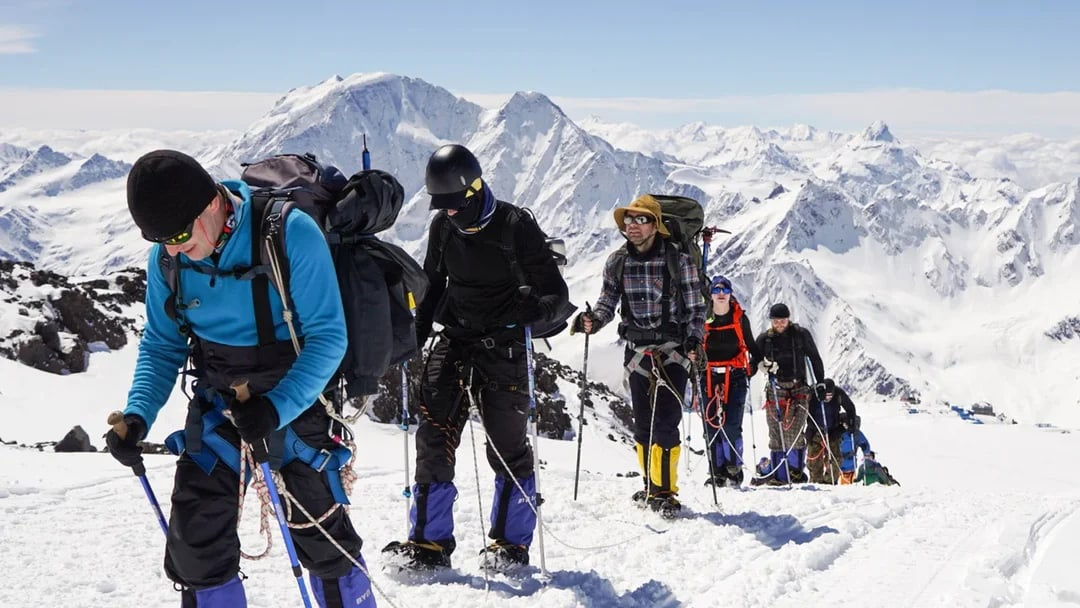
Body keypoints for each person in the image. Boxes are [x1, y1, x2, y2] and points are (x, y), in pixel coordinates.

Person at [106, 150, 374, 607]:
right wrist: (137, 416)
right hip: (221, 406)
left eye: (177, 235)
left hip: (298, 402)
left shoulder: (289, 234)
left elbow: (328, 338)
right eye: (158, 239)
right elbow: (161, 346)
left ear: (211, 204)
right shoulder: (168, 260)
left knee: (323, 544)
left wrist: (275, 408)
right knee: (195, 543)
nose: (171, 249)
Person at [382, 144, 571, 572]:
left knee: (506, 446)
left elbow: (557, 295)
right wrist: (416, 331)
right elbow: (431, 284)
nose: (448, 213)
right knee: (433, 436)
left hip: (503, 346)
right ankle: (429, 544)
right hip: (456, 339)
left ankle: (510, 545)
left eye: (453, 205)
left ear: (474, 189)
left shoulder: (514, 225)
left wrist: (533, 313)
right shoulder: (444, 227)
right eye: (442, 207)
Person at [576, 194, 706, 516]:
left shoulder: (678, 260)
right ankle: (651, 487)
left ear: (655, 225)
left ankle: (665, 491)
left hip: (673, 353)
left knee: (666, 423)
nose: (633, 226)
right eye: (629, 220)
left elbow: (695, 308)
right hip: (637, 355)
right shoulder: (617, 262)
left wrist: (694, 339)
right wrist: (592, 322)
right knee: (643, 424)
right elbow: (607, 302)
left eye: (641, 220)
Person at [700, 275, 764, 488]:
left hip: (734, 376)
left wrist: (752, 368)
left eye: (724, 290)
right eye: (716, 290)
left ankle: (733, 469)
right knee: (711, 425)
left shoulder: (739, 319)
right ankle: (716, 471)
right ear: (710, 294)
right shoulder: (702, 319)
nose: (720, 293)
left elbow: (753, 347)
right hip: (708, 375)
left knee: (730, 424)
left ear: (730, 294)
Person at [753, 303, 825, 485]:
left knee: (792, 434)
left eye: (782, 320)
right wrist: (756, 367)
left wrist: (820, 382)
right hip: (775, 390)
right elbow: (753, 361)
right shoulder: (764, 340)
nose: (779, 324)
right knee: (776, 434)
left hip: (799, 389)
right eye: (775, 321)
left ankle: (794, 473)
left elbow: (815, 358)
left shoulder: (801, 335)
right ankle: (778, 475)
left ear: (789, 319)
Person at [806, 378, 857, 484]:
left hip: (832, 432)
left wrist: (850, 423)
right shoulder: (813, 394)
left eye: (830, 396)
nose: (828, 398)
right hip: (815, 431)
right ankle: (816, 483)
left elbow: (850, 407)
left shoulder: (838, 394)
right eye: (826, 396)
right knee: (814, 462)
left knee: (836, 459)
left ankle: (829, 482)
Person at [838, 420, 871, 484]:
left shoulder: (837, 431)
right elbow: (865, 444)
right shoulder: (856, 433)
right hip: (850, 465)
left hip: (836, 464)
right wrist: (866, 453)